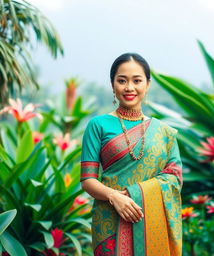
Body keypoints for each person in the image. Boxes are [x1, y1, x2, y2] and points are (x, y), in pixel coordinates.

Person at [80, 53, 183, 256]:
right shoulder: (98, 125)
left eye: (137, 80)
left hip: (152, 220)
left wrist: (135, 193)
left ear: (148, 84)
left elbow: (175, 177)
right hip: (109, 221)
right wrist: (114, 197)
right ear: (112, 85)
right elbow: (87, 180)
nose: (129, 88)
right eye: (122, 81)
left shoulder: (164, 132)